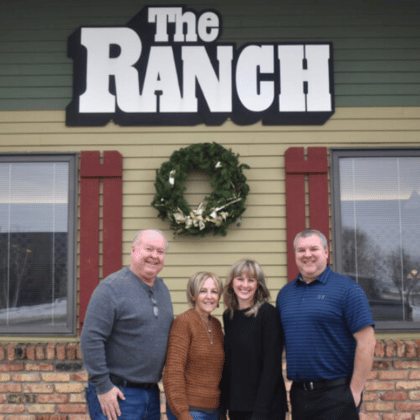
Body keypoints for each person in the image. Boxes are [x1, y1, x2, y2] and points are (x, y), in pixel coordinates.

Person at [276, 229, 376, 420]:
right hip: (299, 395)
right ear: (295, 254)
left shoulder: (348, 290)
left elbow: (367, 342)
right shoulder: (285, 295)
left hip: (336, 394)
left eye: (314, 249)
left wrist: (355, 391)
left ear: (326, 252)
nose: (307, 255)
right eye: (301, 250)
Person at [81, 229, 174, 420]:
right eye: (149, 249)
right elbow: (91, 339)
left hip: (151, 393)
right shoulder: (111, 288)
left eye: (160, 252)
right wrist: (103, 387)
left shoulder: (162, 289)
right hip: (118, 394)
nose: (154, 256)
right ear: (133, 250)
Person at [222, 259, 288, 420]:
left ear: (258, 285)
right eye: (240, 279)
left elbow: (271, 367)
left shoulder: (268, 314)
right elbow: (230, 365)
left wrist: (260, 411)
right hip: (237, 407)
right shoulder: (229, 316)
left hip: (266, 408)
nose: (245, 285)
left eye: (251, 280)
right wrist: (223, 406)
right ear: (231, 282)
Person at [163, 271, 224, 420]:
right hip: (190, 411)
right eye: (203, 291)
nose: (209, 296)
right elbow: (173, 371)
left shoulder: (216, 325)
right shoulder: (184, 322)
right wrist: (183, 413)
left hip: (213, 411)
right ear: (193, 295)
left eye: (214, 292)